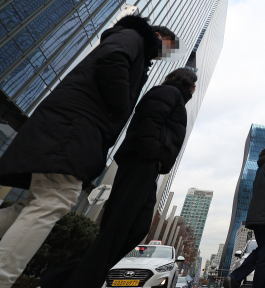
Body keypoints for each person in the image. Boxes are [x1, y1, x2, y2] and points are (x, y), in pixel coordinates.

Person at [0, 15, 175, 287]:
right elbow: (113, 59)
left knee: (34, 204)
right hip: (75, 127)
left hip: (74, 126)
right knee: (55, 199)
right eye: (167, 45)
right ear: (157, 35)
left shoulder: (135, 44)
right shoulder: (133, 36)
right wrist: (116, 108)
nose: (166, 53)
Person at [40, 68, 196, 287]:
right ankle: (79, 281)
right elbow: (150, 120)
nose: (195, 89)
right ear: (187, 81)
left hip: (149, 166)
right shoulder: (168, 92)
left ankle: (62, 279)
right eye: (194, 84)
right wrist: (152, 153)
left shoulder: (174, 97)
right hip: (141, 162)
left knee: (137, 227)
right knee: (119, 225)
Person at [224, 143, 265, 288]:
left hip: (258, 216)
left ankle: (236, 277)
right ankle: (238, 277)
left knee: (263, 251)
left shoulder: (262, 166)